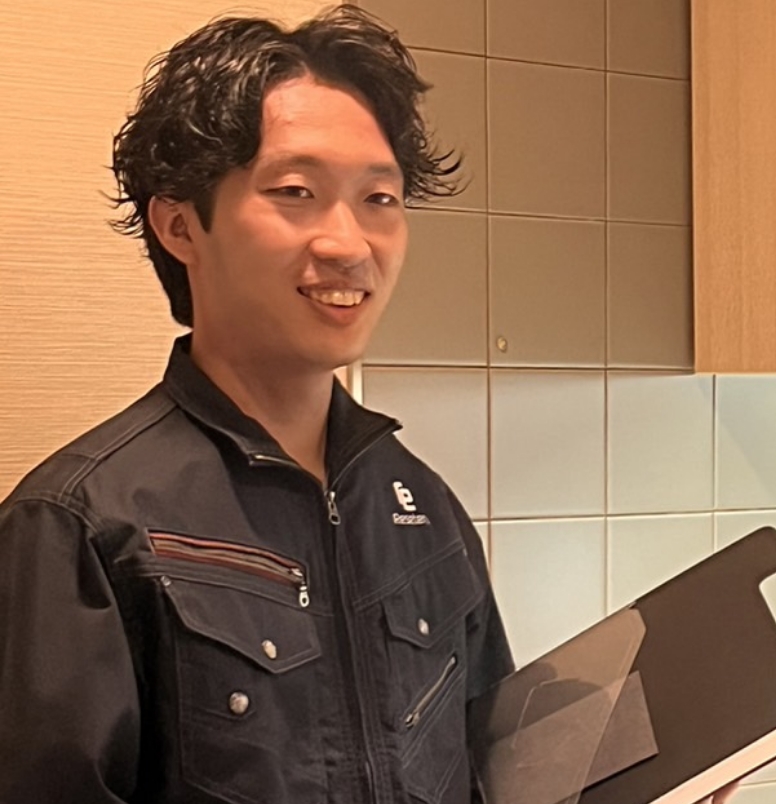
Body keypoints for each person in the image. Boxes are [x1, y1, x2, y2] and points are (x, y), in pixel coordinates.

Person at [0, 7, 736, 804]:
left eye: (379, 198)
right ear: (180, 225)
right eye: (296, 192)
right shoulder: (79, 526)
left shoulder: (420, 507)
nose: (349, 244)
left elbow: (490, 784)